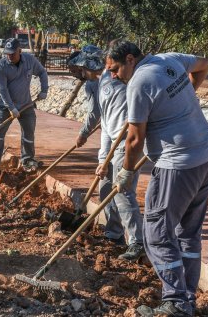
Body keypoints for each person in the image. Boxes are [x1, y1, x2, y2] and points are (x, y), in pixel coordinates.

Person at [106, 40, 208, 317]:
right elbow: (204, 64)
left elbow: (134, 139)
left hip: (177, 164)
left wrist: (126, 173)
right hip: (207, 155)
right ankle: (187, 298)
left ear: (130, 59)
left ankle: (177, 302)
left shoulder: (138, 83)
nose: (112, 75)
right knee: (188, 234)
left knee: (155, 234)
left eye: (115, 68)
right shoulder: (169, 59)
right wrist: (187, 96)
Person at [68, 45, 151, 261]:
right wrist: (103, 158)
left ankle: (137, 241)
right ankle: (114, 234)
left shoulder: (126, 81)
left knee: (122, 191)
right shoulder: (102, 81)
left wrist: (85, 134)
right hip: (113, 141)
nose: (81, 73)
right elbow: (104, 122)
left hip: (127, 142)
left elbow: (136, 115)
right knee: (105, 188)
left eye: (82, 68)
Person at [0, 38, 49, 174]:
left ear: (19, 51)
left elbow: (42, 72)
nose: (9, 56)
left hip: (26, 105)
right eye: (7, 53)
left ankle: (27, 160)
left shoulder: (29, 60)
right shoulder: (1, 66)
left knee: (28, 132)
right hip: (5, 106)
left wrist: (44, 90)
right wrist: (11, 108)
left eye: (12, 53)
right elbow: (2, 89)